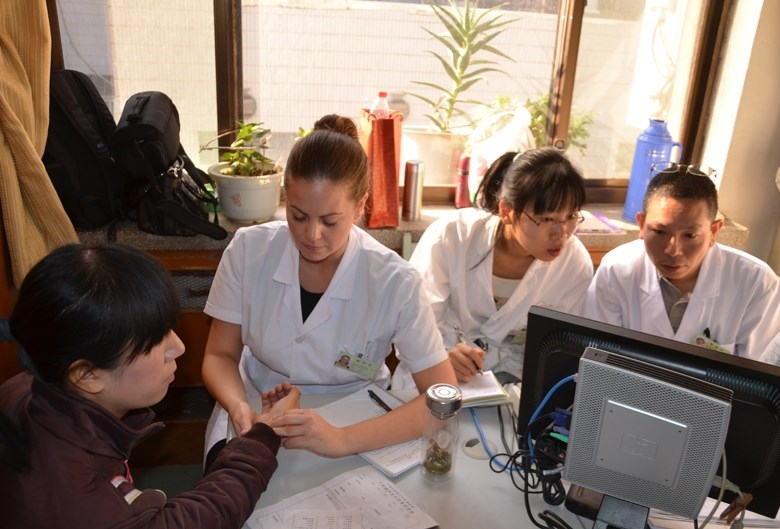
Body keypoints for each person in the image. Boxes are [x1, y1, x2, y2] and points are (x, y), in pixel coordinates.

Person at [202, 114, 456, 462]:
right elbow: (219, 355)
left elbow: (442, 397)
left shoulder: (395, 281)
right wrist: (238, 407)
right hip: (255, 406)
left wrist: (341, 440)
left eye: (330, 221)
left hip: (357, 419)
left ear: (359, 207)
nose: (312, 235)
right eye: (298, 215)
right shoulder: (249, 250)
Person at [0, 242, 300, 529]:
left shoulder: (28, 385)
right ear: (87, 375)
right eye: (155, 341)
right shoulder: (77, 494)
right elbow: (200, 521)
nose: (179, 347)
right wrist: (262, 438)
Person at [394, 147, 594, 387]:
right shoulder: (452, 235)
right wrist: (441, 356)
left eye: (571, 216)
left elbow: (558, 349)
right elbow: (413, 324)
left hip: (514, 384)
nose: (560, 233)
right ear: (507, 211)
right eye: (547, 219)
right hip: (435, 374)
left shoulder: (574, 264)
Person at [581, 163, 780, 360]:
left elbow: (770, 381)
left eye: (689, 235)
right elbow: (595, 356)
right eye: (659, 231)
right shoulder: (616, 270)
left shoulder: (757, 284)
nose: (673, 250)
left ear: (713, 232)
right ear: (641, 225)